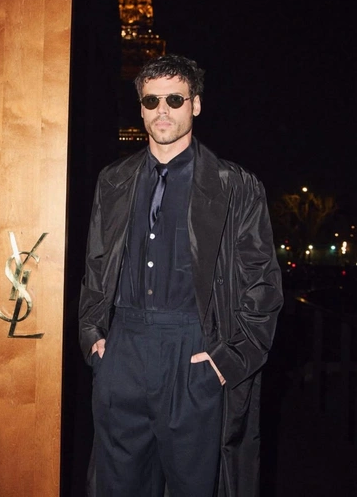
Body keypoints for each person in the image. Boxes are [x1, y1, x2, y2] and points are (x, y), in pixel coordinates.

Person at [79, 54, 283, 497]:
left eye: (175, 99)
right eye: (151, 101)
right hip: (123, 351)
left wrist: (228, 360)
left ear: (196, 105)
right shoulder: (113, 180)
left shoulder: (235, 185)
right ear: (141, 109)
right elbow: (96, 265)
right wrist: (93, 336)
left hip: (194, 353)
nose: (163, 110)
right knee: (117, 486)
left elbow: (263, 285)